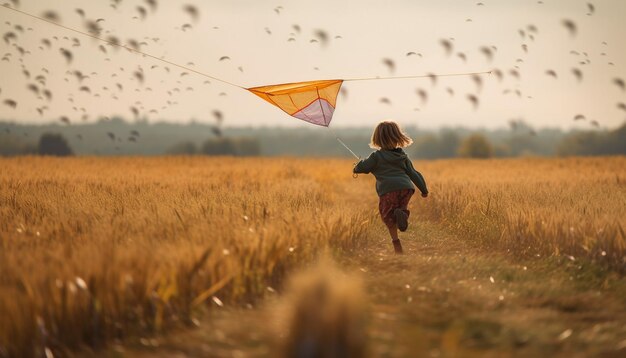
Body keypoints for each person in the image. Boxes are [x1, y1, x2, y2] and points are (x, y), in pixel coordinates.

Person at [353, 121, 428, 254]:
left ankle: (396, 243)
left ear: (377, 139)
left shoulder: (376, 156)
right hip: (406, 188)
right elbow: (414, 173)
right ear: (398, 137)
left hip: (388, 190)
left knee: (387, 216)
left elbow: (363, 168)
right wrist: (424, 190)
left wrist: (357, 167)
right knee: (400, 209)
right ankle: (403, 214)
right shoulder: (403, 157)